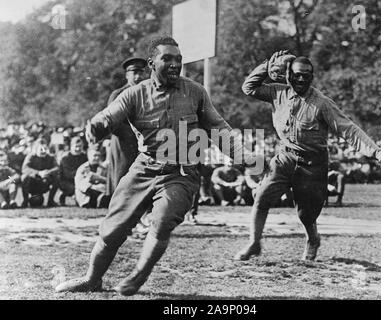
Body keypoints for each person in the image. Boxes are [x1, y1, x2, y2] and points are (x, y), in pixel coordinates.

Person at [55, 36, 253, 296]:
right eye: (167, 59)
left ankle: (138, 276)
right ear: (151, 63)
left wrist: (249, 158)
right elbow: (109, 115)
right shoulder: (135, 94)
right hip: (144, 168)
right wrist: (95, 127)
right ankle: (92, 279)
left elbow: (219, 128)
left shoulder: (195, 92)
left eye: (178, 60)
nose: (175, 64)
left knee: (161, 221)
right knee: (112, 230)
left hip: (181, 172)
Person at [234, 51, 381, 262]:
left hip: (313, 163)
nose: (301, 79)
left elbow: (349, 130)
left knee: (306, 214)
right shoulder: (277, 92)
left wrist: (377, 152)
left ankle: (312, 239)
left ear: (312, 77)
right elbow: (249, 88)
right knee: (261, 196)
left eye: (307, 75)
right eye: (297, 74)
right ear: (287, 75)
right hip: (286, 157)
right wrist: (267, 65)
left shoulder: (322, 103)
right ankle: (254, 243)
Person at [105, 57, 148, 197]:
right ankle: (118, 216)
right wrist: (135, 133)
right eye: (134, 73)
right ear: (127, 75)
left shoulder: (147, 95)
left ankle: (138, 216)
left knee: (140, 182)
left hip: (142, 146)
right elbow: (112, 123)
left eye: (141, 72)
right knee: (121, 182)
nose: (138, 76)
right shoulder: (118, 95)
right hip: (123, 145)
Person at [21, 138, 59, 208]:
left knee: (57, 177)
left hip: (44, 182)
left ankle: (51, 201)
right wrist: (38, 173)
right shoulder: (31, 156)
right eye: (41, 149)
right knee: (24, 177)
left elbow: (57, 168)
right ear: (36, 149)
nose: (43, 151)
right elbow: (24, 168)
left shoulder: (50, 157)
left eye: (45, 149)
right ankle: (25, 201)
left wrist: (48, 172)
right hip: (32, 183)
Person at [58, 136, 88, 205]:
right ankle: (64, 194)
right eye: (76, 146)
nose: (78, 149)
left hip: (80, 180)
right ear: (71, 146)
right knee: (76, 188)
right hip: (67, 181)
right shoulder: (65, 158)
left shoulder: (84, 157)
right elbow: (68, 174)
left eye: (80, 146)